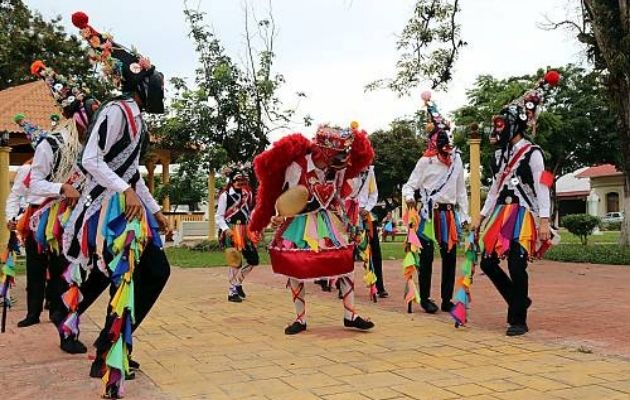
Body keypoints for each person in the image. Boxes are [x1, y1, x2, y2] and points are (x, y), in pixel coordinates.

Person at [64, 11, 170, 398]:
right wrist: (124, 190)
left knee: (150, 273)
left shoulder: (137, 117)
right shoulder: (116, 110)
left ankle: (112, 344)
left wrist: (154, 209)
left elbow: (133, 173)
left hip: (126, 207)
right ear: (139, 80)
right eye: (155, 78)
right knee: (131, 274)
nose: (160, 85)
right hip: (105, 210)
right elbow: (91, 160)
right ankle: (107, 352)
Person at [249, 124, 375, 335]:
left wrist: (346, 222)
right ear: (326, 151)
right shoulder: (297, 166)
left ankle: (350, 315)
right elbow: (287, 195)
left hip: (328, 221)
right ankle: (300, 319)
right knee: (295, 266)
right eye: (338, 154)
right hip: (300, 221)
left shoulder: (338, 169)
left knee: (345, 263)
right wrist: (278, 216)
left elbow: (337, 198)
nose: (343, 159)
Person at [472, 71, 559, 337]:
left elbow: (543, 185)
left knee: (517, 264)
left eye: (501, 124)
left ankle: (518, 318)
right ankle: (518, 299)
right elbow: (495, 187)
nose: (497, 129)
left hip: (523, 213)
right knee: (487, 262)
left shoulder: (533, 153)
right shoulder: (500, 156)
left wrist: (545, 219)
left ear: (515, 124)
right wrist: (482, 216)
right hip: (501, 212)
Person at [23, 60, 103, 354]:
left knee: (86, 273)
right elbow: (35, 184)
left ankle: (65, 316)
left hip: (86, 216)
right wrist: (61, 188)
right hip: (57, 221)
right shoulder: (51, 144)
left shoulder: (92, 149)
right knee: (66, 274)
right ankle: (66, 330)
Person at [402, 92, 469, 314]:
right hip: (429, 215)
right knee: (428, 256)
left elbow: (461, 192)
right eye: (440, 138)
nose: (445, 143)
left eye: (446, 137)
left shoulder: (457, 160)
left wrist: (466, 216)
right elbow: (409, 186)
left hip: (449, 215)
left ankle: (446, 299)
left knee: (449, 257)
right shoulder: (425, 161)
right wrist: (411, 201)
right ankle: (426, 298)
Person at [216, 164, 259, 302]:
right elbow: (219, 216)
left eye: (243, 180)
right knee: (235, 261)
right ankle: (232, 291)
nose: (241, 183)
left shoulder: (248, 194)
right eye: (238, 180)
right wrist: (226, 229)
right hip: (232, 230)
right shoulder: (225, 196)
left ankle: (238, 282)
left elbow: (251, 211)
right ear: (232, 181)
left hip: (246, 230)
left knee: (253, 260)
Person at [346, 162, 388, 298]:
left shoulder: (370, 171)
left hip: (366, 214)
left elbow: (374, 193)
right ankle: (344, 286)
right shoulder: (346, 169)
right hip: (349, 214)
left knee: (375, 249)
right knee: (348, 252)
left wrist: (367, 209)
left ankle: (379, 286)